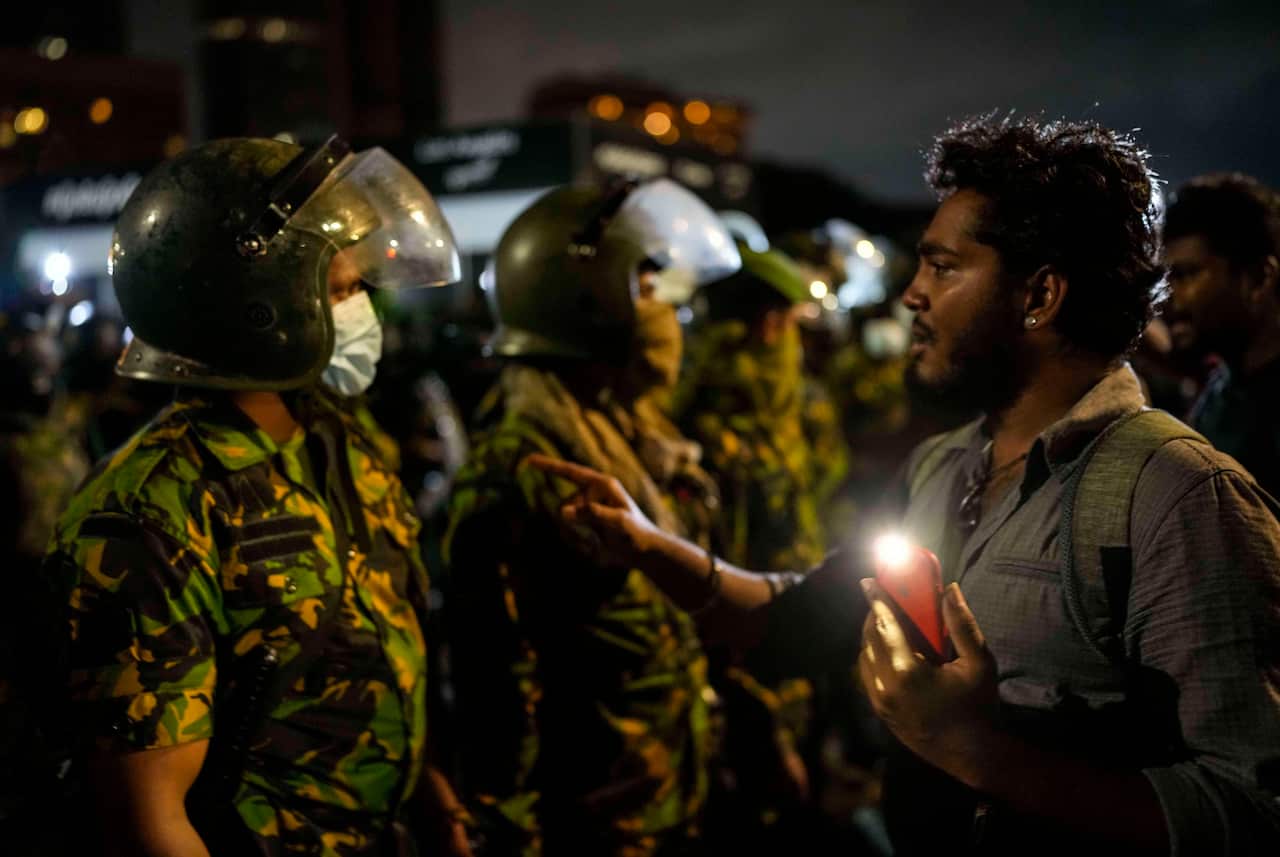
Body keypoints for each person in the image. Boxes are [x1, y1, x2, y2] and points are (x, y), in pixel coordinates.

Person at [526, 115, 1280, 855]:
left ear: (1039, 296)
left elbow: (1251, 810)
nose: (911, 294)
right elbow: (799, 618)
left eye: (943, 267)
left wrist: (973, 750)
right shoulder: (941, 465)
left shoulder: (1177, 497)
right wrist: (645, 543)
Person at [44, 135, 471, 857]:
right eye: (341, 291)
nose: (362, 310)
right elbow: (150, 819)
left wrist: (434, 805)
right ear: (259, 309)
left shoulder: (343, 444)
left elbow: (378, 654)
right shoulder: (148, 514)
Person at [442, 179, 739, 855]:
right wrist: (509, 832)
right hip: (591, 824)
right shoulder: (523, 470)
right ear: (588, 302)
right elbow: (496, 686)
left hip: (664, 799)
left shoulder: (631, 435)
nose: (666, 313)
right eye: (645, 290)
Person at [1163, 173, 1280, 495]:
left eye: (1187, 275)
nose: (1168, 297)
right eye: (1166, 278)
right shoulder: (1219, 397)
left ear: (1259, 278)